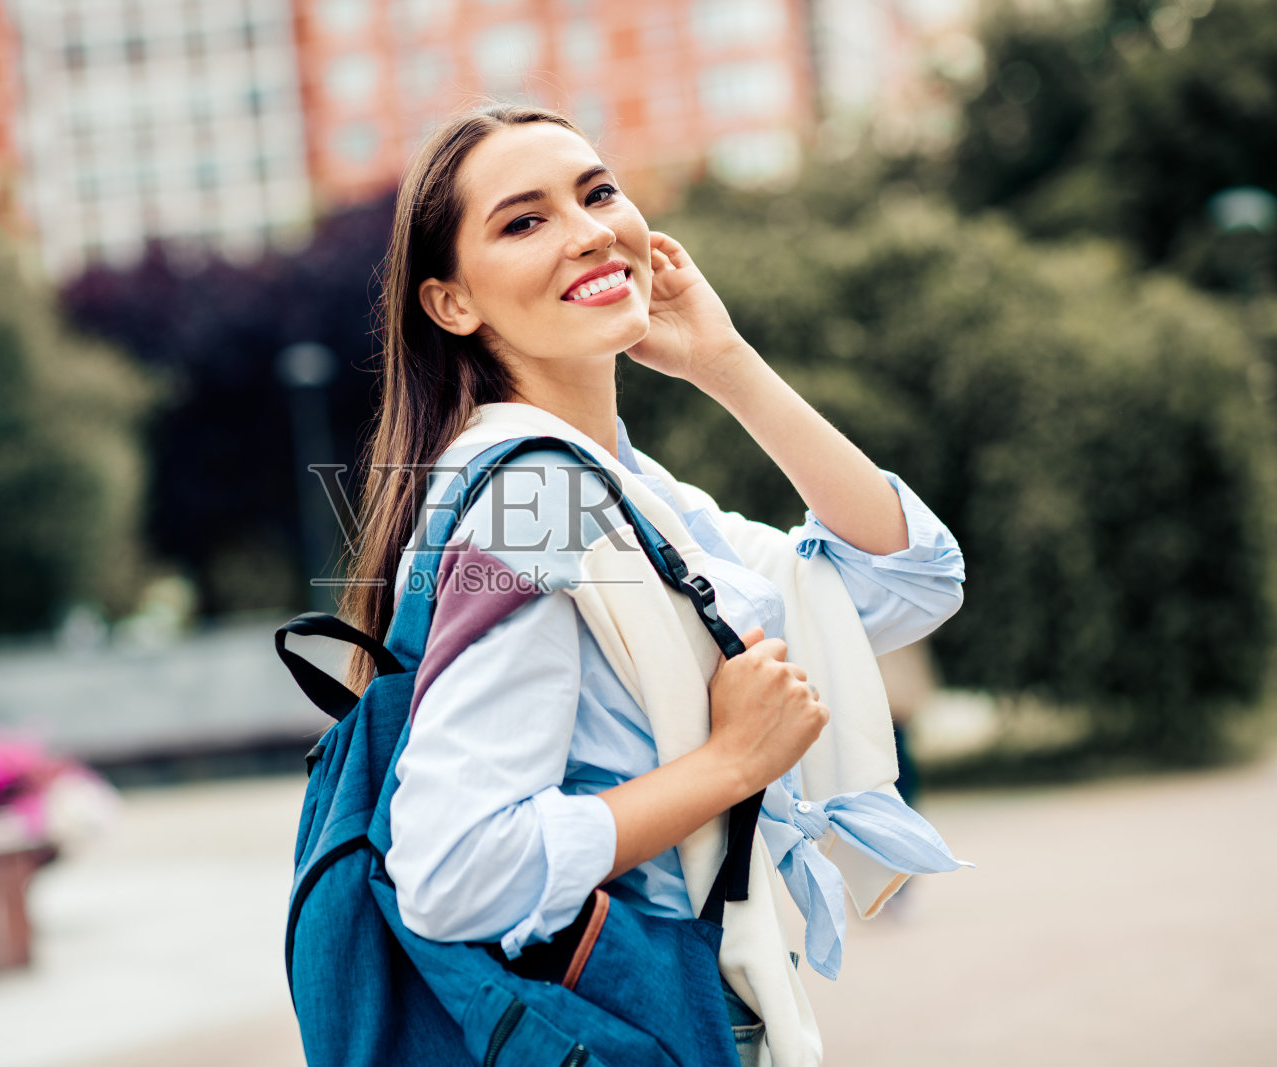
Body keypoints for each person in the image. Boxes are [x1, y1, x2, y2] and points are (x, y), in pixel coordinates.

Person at [337, 104, 967, 1067]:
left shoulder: (626, 492)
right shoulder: (537, 500)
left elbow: (906, 577)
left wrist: (725, 363)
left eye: (597, 193)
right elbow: (455, 870)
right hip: (633, 1020)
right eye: (524, 220)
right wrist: (729, 763)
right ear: (452, 303)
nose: (589, 231)